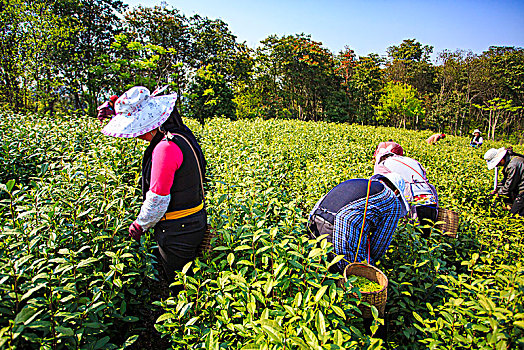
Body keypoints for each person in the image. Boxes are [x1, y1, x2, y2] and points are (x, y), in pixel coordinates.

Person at [101, 86, 207, 291]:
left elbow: (158, 198)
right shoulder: (182, 136)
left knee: (180, 284)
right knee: (191, 277)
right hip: (193, 221)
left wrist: (140, 225)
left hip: (177, 230)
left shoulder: (165, 149)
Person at [307, 172, 410, 272]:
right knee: (354, 275)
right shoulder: (392, 199)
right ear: (396, 192)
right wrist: (369, 265)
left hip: (314, 222)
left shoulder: (358, 183)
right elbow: (378, 245)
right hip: (340, 228)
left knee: (317, 268)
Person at [374, 148, 438, 237]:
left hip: (412, 196)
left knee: (412, 231)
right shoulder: (408, 160)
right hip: (429, 196)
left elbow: (381, 187)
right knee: (427, 232)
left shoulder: (383, 164)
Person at [484, 147, 524, 216]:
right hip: (520, 187)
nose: (498, 165)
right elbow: (506, 180)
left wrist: (498, 195)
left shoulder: (513, 165)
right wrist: (497, 190)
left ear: (501, 159)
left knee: (515, 214)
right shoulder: (510, 161)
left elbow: (509, 185)